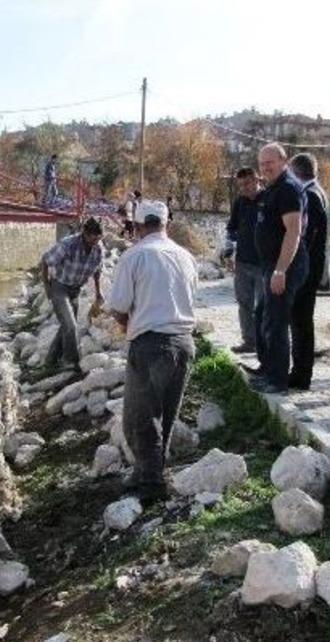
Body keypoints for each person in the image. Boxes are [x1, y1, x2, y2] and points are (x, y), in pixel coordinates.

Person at [107, 200, 197, 502]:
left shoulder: (135, 255)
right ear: (165, 224)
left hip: (150, 345)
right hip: (184, 343)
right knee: (167, 417)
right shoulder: (186, 256)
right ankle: (148, 472)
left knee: (138, 420)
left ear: (139, 226)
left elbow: (119, 307)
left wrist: (128, 325)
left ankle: (152, 486)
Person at [249, 143, 307, 395]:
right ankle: (268, 368)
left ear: (284, 161)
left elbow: (293, 231)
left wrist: (281, 270)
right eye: (261, 164)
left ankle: (277, 380)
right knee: (264, 315)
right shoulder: (273, 189)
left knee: (277, 320)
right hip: (270, 264)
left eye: (270, 162)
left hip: (285, 266)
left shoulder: (288, 189)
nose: (265, 168)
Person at [39, 217, 105, 372]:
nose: (96, 240)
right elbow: (45, 260)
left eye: (99, 237)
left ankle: (50, 361)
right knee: (70, 326)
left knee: (65, 328)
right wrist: (47, 287)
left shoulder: (98, 248)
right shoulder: (68, 244)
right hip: (59, 288)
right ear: (85, 233)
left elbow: (98, 271)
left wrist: (98, 291)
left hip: (75, 291)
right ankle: (71, 363)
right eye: (93, 237)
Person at [287, 152, 330, 390]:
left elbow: (307, 238)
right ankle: (300, 371)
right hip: (311, 269)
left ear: (295, 171)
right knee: (301, 322)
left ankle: (301, 374)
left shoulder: (311, 196)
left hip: (306, 270)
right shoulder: (317, 192)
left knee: (301, 323)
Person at [223, 167, 264, 353]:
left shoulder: (269, 199)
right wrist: (229, 252)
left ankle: (265, 343)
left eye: (247, 183)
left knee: (264, 306)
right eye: (241, 185)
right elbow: (231, 230)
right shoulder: (239, 203)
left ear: (257, 180)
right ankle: (249, 341)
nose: (244, 188)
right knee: (244, 303)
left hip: (264, 264)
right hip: (243, 262)